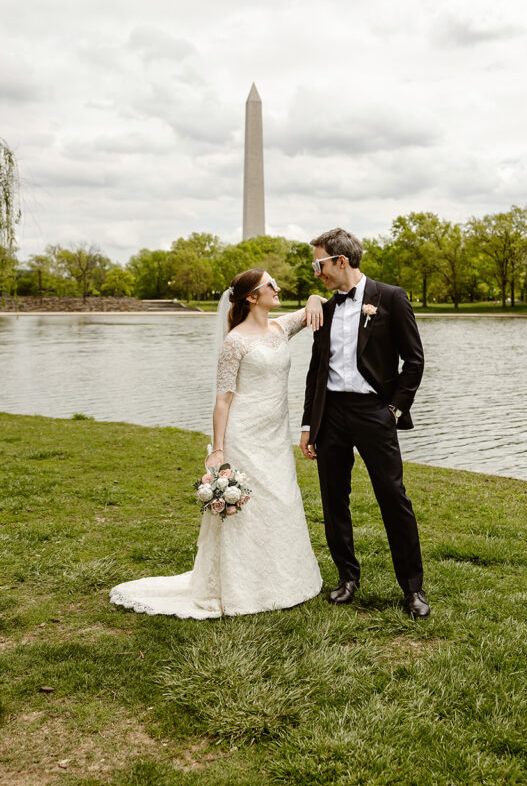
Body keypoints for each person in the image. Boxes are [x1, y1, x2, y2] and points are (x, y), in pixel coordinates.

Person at [110, 269, 324, 618]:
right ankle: (242, 588)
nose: (278, 288)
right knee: (250, 510)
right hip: (245, 434)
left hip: (275, 436)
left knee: (282, 501)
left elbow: (319, 308)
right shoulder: (235, 342)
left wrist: (315, 298)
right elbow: (223, 400)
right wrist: (219, 448)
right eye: (270, 285)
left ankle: (284, 581)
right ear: (252, 297)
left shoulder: (280, 327)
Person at [299, 228, 430, 619]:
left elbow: (415, 361)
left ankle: (413, 589)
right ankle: (347, 577)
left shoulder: (390, 298)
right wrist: (309, 423)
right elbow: (315, 370)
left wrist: (393, 409)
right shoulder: (323, 306)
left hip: (375, 412)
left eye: (318, 264)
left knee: (393, 498)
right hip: (331, 414)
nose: (316, 273)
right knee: (333, 499)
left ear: (341, 261)